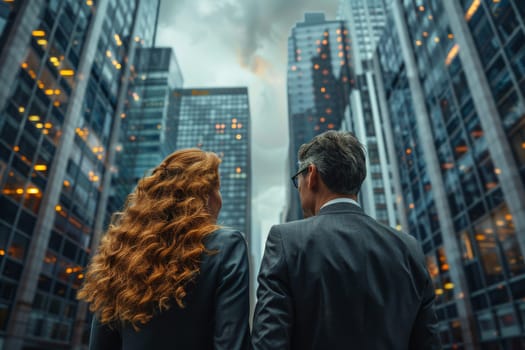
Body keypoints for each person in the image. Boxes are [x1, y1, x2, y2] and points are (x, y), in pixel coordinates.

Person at [251, 131, 441, 350]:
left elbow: (269, 342)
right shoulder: (408, 247)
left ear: (311, 175)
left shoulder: (286, 240)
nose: (299, 187)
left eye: (298, 180)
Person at [78, 149, 250, 350]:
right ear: (204, 195)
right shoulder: (226, 245)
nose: (220, 199)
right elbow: (233, 344)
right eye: (218, 188)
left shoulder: (120, 254)